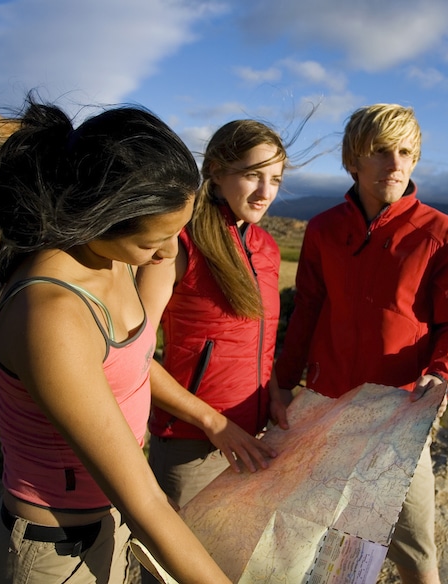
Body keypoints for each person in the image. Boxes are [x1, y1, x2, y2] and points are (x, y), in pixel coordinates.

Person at [0, 96, 232, 584]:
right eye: (153, 242)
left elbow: (125, 363)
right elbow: (146, 502)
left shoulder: (109, 257)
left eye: (177, 233)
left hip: (105, 532)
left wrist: (210, 419)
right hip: (53, 558)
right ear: (98, 215)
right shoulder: (52, 316)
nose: (166, 254)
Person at [273, 103, 448, 584]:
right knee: (329, 535)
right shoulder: (324, 229)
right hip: (327, 405)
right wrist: (283, 385)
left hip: (399, 414)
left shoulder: (444, 235)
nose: (395, 163)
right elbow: (307, 309)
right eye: (381, 151)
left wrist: (442, 373)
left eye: (406, 152)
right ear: (353, 160)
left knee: (413, 547)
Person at [137, 119, 290, 508]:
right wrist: (215, 424)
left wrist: (272, 395)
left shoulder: (267, 248)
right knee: (173, 567)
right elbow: (132, 355)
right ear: (217, 171)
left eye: (275, 179)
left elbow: (257, 344)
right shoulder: (179, 242)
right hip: (190, 446)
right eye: (253, 175)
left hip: (250, 440)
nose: (265, 192)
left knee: (228, 566)